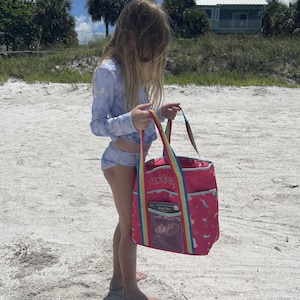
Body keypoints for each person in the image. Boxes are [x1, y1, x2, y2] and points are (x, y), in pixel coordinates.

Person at [90, 0, 180, 299]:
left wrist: (158, 113)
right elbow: (97, 125)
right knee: (132, 228)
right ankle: (130, 290)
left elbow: (138, 111)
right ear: (130, 36)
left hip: (134, 160)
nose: (149, 57)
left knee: (126, 221)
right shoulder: (109, 71)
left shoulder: (132, 68)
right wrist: (131, 119)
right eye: (147, 47)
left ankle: (119, 279)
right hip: (118, 161)